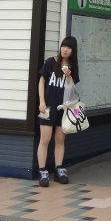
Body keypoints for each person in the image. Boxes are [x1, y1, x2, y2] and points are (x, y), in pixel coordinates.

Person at [37, 36, 79, 187]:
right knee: (45, 139)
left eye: (68, 47)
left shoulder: (73, 67)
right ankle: (42, 171)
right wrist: (41, 101)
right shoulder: (50, 62)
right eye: (63, 46)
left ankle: (59, 169)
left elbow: (72, 88)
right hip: (47, 107)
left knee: (60, 140)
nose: (65, 49)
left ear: (73, 50)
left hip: (63, 109)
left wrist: (68, 75)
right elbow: (41, 81)